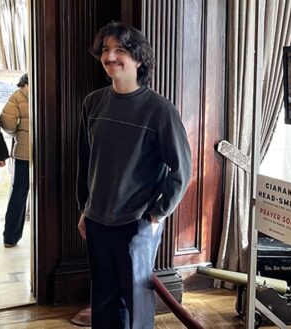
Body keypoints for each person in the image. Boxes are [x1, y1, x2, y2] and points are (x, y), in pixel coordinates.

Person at [76, 22, 191, 329]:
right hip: (97, 221)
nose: (110, 57)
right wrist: (85, 209)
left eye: (120, 50)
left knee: (136, 305)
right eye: (105, 50)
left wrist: (156, 215)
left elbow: (181, 169)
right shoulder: (93, 103)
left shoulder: (160, 111)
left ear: (139, 59)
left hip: (137, 225)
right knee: (103, 300)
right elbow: (86, 162)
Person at [0, 73, 29, 248]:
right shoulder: (47, 89)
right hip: (48, 151)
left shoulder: (18, 95)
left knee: (18, 193)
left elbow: (6, 122)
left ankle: (10, 238)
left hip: (23, 153)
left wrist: (16, 133)